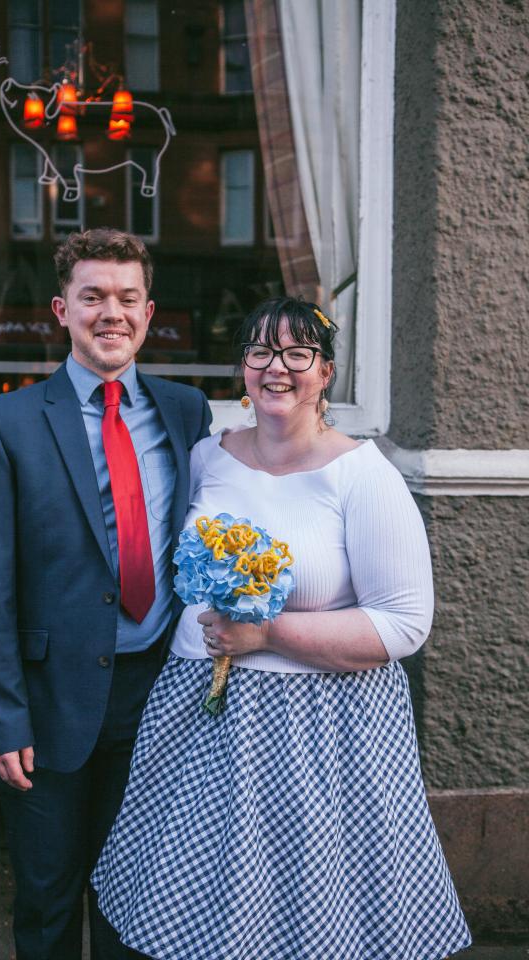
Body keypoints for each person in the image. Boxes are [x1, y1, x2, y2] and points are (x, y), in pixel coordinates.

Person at [92, 296, 472, 960]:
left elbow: (404, 624)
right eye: (260, 351)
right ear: (243, 367)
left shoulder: (363, 476)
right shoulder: (209, 458)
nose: (277, 368)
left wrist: (268, 634)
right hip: (200, 721)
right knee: (199, 911)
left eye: (298, 353)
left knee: (303, 919)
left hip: (320, 731)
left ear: (325, 373)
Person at [0, 227, 212, 960]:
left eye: (127, 298)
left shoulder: (185, 412)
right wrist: (0, 720)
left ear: (149, 311)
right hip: (47, 702)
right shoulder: (2, 424)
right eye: (93, 296)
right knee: (48, 895)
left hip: (157, 698)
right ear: (60, 309)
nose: (112, 312)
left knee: (136, 892)